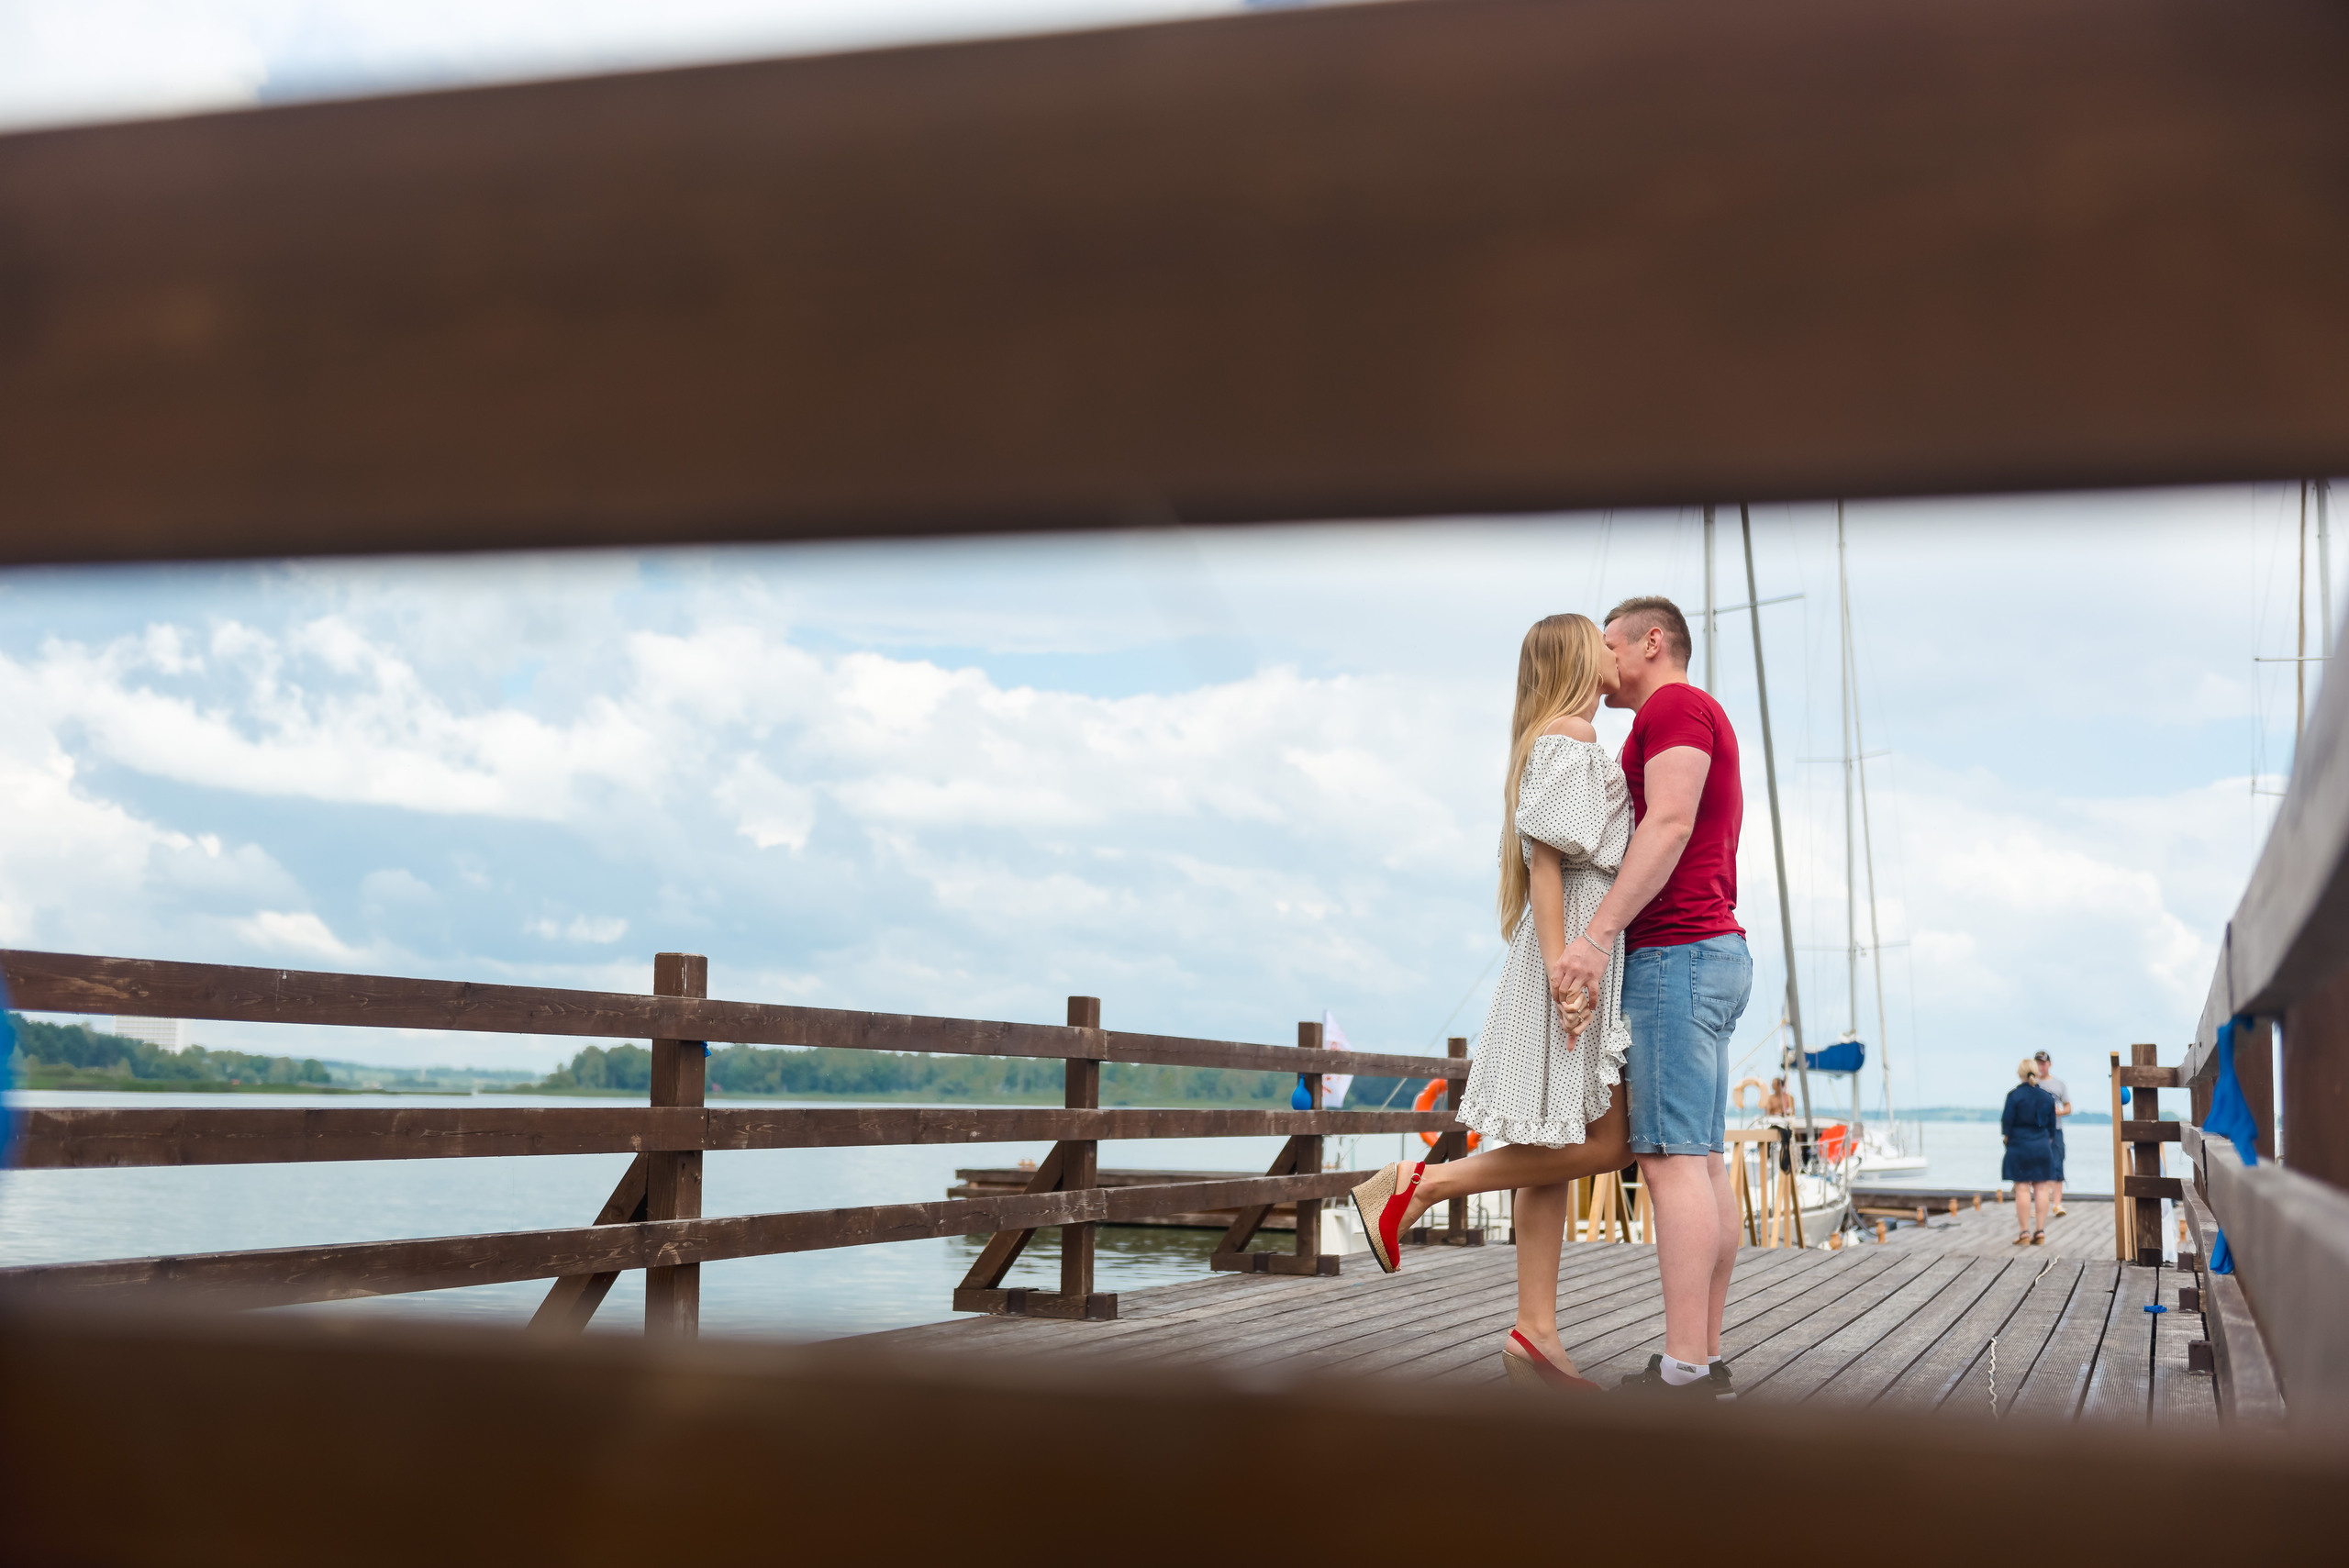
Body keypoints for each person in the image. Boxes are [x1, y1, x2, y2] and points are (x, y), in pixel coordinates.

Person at [1347, 613, 1634, 1393]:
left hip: (1567, 951)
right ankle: (1421, 1185)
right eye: (1603, 643)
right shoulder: (1569, 740)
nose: (1615, 653)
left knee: (1550, 1152)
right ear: (1579, 658)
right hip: (1570, 955)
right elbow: (1547, 865)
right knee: (1613, 1144)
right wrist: (1563, 972)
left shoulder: (1558, 741)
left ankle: (1535, 1332)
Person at [1550, 595, 1751, 1401]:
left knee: (1670, 1163)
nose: (1603, 662)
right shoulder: (1689, 712)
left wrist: (1593, 938)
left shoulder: (1672, 705)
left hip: (1677, 955)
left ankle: (1683, 1371)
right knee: (1700, 1161)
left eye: (1609, 645)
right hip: (1710, 951)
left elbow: (1666, 824)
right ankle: (1700, 1355)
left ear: (1651, 641)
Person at [2001, 1061, 2060, 1243]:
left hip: (2020, 1145)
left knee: (2022, 1189)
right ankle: (2040, 1231)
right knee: (2042, 1188)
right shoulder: (2047, 1097)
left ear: (2020, 1073)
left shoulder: (2014, 1096)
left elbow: (2007, 1125)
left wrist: (2007, 1139)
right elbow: (2052, 1127)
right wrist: (2045, 1140)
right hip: (2042, 1145)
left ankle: (2024, 1232)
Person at [2032, 1050, 2070, 1217]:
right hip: (2037, 1129)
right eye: (2038, 1063)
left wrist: (2058, 1112)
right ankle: (2039, 1204)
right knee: (2037, 1166)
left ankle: (2057, 1204)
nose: (2041, 1067)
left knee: (2057, 1164)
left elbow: (2068, 1107)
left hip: (2055, 1128)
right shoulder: (2032, 1084)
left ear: (2049, 1064)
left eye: (2043, 1063)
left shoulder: (2059, 1084)